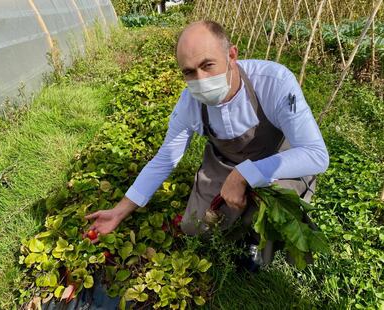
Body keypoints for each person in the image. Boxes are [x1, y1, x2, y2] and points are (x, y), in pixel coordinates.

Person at [85, 21, 329, 264]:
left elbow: (315, 155)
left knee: (273, 212)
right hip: (224, 162)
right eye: (189, 72)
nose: (200, 80)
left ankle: (257, 241)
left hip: (275, 159)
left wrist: (244, 174)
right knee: (194, 226)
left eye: (207, 65)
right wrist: (120, 210)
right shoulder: (189, 103)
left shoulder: (272, 81)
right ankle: (241, 224)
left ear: (231, 55)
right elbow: (165, 158)